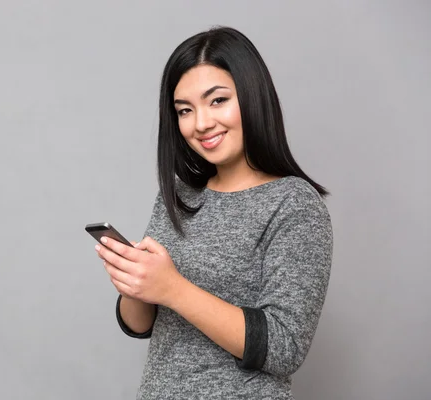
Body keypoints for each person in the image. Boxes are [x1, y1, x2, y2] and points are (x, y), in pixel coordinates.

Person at [93, 25, 333, 400]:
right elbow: (141, 325)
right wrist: (136, 284)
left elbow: (285, 347)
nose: (201, 123)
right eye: (184, 110)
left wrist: (173, 288)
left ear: (252, 97)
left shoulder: (293, 204)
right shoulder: (179, 195)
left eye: (217, 101)